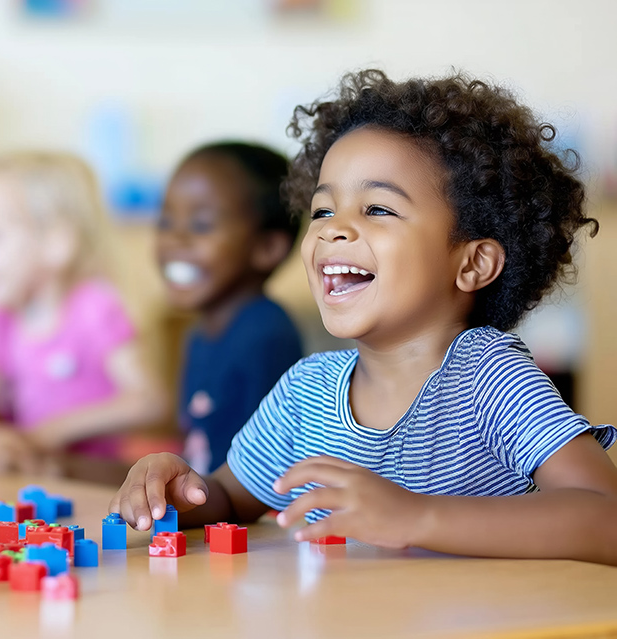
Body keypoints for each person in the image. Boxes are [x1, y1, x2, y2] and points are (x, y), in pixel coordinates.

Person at [110, 70, 617, 565]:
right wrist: (175, 488)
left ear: (472, 263)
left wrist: (419, 516)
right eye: (324, 211)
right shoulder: (305, 394)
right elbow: (225, 499)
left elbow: (605, 516)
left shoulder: (490, 380)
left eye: (377, 209)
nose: (334, 230)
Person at [0, 152, 166, 473]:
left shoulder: (94, 307)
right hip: (37, 472)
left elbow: (150, 401)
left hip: (97, 477)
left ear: (56, 243)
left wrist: (51, 432)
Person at [158, 142, 303, 474]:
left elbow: (258, 474)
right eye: (166, 222)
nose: (174, 240)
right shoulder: (198, 334)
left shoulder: (265, 334)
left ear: (267, 247)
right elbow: (197, 454)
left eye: (200, 225)